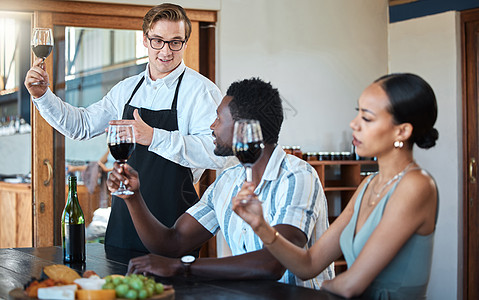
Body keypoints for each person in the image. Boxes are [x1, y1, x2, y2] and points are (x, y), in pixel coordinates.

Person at [24, 3, 226, 252]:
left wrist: (153, 136)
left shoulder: (201, 91)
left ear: (185, 43)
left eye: (175, 42)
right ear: (145, 39)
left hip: (174, 225)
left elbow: (217, 154)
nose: (166, 50)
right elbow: (82, 126)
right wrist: (42, 96)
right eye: (158, 41)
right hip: (123, 222)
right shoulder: (126, 89)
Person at [107, 78, 334, 288]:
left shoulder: (298, 176)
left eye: (219, 118)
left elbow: (273, 263)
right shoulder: (228, 180)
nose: (212, 126)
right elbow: (173, 243)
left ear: (245, 129)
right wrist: (133, 198)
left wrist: (183, 267)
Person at [233, 73, 439, 299]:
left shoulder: (417, 185)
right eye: (357, 112)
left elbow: (351, 285)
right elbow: (308, 264)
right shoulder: (369, 185)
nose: (354, 124)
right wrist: (261, 225)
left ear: (402, 131)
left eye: (367, 118)